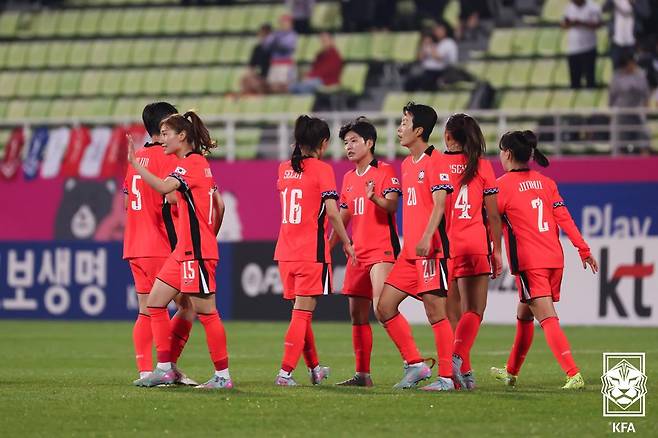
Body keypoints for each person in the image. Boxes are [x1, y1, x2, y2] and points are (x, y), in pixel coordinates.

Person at [129, 111, 233, 390]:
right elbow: (212, 203)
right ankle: (165, 368)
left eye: (166, 134)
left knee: (207, 312)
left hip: (195, 252)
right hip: (183, 251)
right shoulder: (192, 164)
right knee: (155, 303)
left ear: (182, 136)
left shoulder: (192, 164)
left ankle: (223, 376)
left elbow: (165, 188)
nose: (162, 139)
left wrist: (136, 165)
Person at [490, 130, 598, 390]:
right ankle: (511, 372)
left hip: (530, 262)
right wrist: (583, 249)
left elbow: (489, 222)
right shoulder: (546, 183)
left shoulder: (501, 186)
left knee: (547, 317)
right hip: (554, 258)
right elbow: (565, 218)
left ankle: (573, 374)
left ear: (507, 153)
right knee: (524, 313)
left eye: (500, 151)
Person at [376, 102, 456, 391]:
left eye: (404, 123)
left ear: (419, 130)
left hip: (431, 251)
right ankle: (415, 365)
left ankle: (447, 378)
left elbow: (440, 203)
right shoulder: (407, 164)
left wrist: (426, 237)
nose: (399, 128)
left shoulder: (437, 161)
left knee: (436, 314)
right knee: (384, 307)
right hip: (410, 253)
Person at [274, 115, 356, 386]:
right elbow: (332, 212)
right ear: (323, 143)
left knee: (300, 313)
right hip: (311, 252)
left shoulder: (284, 168)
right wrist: (346, 241)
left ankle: (314, 368)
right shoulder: (322, 170)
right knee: (302, 314)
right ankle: (285, 373)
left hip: (285, 252)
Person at [122, 102, 196, 385]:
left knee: (145, 309)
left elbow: (127, 202)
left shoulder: (137, 157)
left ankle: (145, 370)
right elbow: (175, 198)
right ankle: (168, 367)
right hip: (160, 244)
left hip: (134, 245)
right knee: (186, 306)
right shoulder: (168, 158)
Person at [332, 117, 401, 387]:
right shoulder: (349, 178)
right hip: (358, 253)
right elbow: (343, 217)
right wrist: (327, 248)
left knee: (382, 308)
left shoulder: (385, 171)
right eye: (345, 142)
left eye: (354, 141)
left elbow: (392, 206)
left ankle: (414, 363)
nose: (348, 146)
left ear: (369, 143)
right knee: (357, 315)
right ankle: (363, 375)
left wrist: (374, 198)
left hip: (382, 249)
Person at [441, 114, 502, 391]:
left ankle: (460, 371)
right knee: (474, 311)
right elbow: (493, 216)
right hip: (476, 244)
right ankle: (461, 365)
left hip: (448, 246)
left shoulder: (437, 163)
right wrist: (497, 250)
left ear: (448, 137)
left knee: (451, 314)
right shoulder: (483, 165)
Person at [609, 53, 652, 153]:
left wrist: (646, 107)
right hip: (621, 113)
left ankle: (645, 159)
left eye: (633, 63)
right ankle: (619, 159)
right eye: (631, 63)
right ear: (625, 64)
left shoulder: (640, 75)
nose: (633, 65)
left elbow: (646, 93)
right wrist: (611, 111)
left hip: (637, 111)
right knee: (620, 141)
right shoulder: (616, 77)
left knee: (643, 139)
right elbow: (612, 96)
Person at [404, 23, 458, 92]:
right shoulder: (431, 42)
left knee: (427, 82)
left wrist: (431, 45)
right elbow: (420, 58)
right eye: (436, 30)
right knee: (409, 82)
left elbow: (438, 58)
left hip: (441, 71)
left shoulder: (448, 42)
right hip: (426, 70)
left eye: (440, 30)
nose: (437, 32)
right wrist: (424, 44)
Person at [562, 0, 603, 89]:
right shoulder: (568, 7)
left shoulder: (593, 7)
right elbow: (564, 25)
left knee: (590, 81)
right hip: (572, 49)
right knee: (575, 82)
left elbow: (598, 24)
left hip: (589, 48)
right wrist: (570, 24)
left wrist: (581, 23)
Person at [267, 15, 298, 93]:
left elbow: (286, 47)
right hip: (274, 63)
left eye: (286, 22)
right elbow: (266, 44)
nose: (284, 24)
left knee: (283, 87)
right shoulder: (275, 34)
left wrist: (275, 43)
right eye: (282, 22)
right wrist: (274, 42)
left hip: (285, 64)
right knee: (272, 87)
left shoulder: (292, 34)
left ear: (290, 24)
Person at [241, 24, 273, 95]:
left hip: (274, 78)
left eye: (266, 35)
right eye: (262, 35)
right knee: (246, 80)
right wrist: (251, 75)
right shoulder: (257, 49)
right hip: (262, 78)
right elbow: (251, 66)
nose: (263, 37)